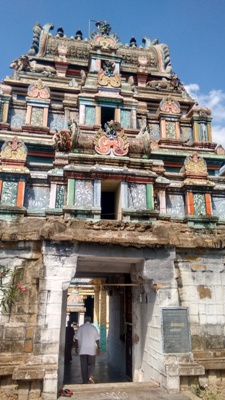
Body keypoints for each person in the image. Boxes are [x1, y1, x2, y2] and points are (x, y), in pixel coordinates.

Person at [74, 316, 100, 384]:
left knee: (84, 366)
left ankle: (85, 380)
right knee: (92, 364)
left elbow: (76, 339)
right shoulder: (93, 328)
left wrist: (76, 347)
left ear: (85, 321)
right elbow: (97, 339)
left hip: (82, 350)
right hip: (91, 349)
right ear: (90, 321)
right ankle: (90, 376)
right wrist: (98, 348)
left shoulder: (81, 328)